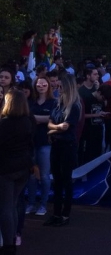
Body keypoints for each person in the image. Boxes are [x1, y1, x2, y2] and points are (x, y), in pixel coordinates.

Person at [0, 90, 34, 255]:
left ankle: (8, 250)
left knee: (6, 209)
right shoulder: (28, 121)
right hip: (23, 168)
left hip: (6, 170)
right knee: (12, 206)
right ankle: (11, 243)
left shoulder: (4, 124)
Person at [46, 74, 82, 227]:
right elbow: (50, 124)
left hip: (68, 146)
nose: (58, 89)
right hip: (56, 145)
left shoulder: (74, 106)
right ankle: (56, 213)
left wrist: (52, 129)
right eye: (57, 86)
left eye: (61, 86)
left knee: (66, 180)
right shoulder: (57, 103)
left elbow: (66, 127)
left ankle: (65, 215)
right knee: (57, 180)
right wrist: (56, 128)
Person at [26, 77, 58, 217]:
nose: (41, 86)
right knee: (32, 175)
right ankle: (31, 203)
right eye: (39, 84)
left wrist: (35, 118)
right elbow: (26, 117)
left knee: (44, 176)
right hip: (31, 143)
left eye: (44, 84)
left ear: (48, 86)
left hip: (46, 143)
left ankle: (43, 204)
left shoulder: (53, 102)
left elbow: (52, 119)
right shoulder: (30, 102)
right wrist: (43, 119)